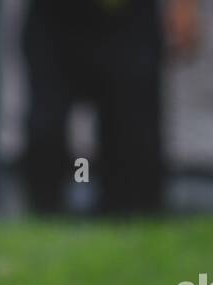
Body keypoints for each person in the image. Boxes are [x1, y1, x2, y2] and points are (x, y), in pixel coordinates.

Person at [21, 0, 199, 216]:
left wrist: (184, 6)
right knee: (45, 129)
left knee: (134, 144)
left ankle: (132, 215)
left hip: (129, 17)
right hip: (53, 15)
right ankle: (44, 214)